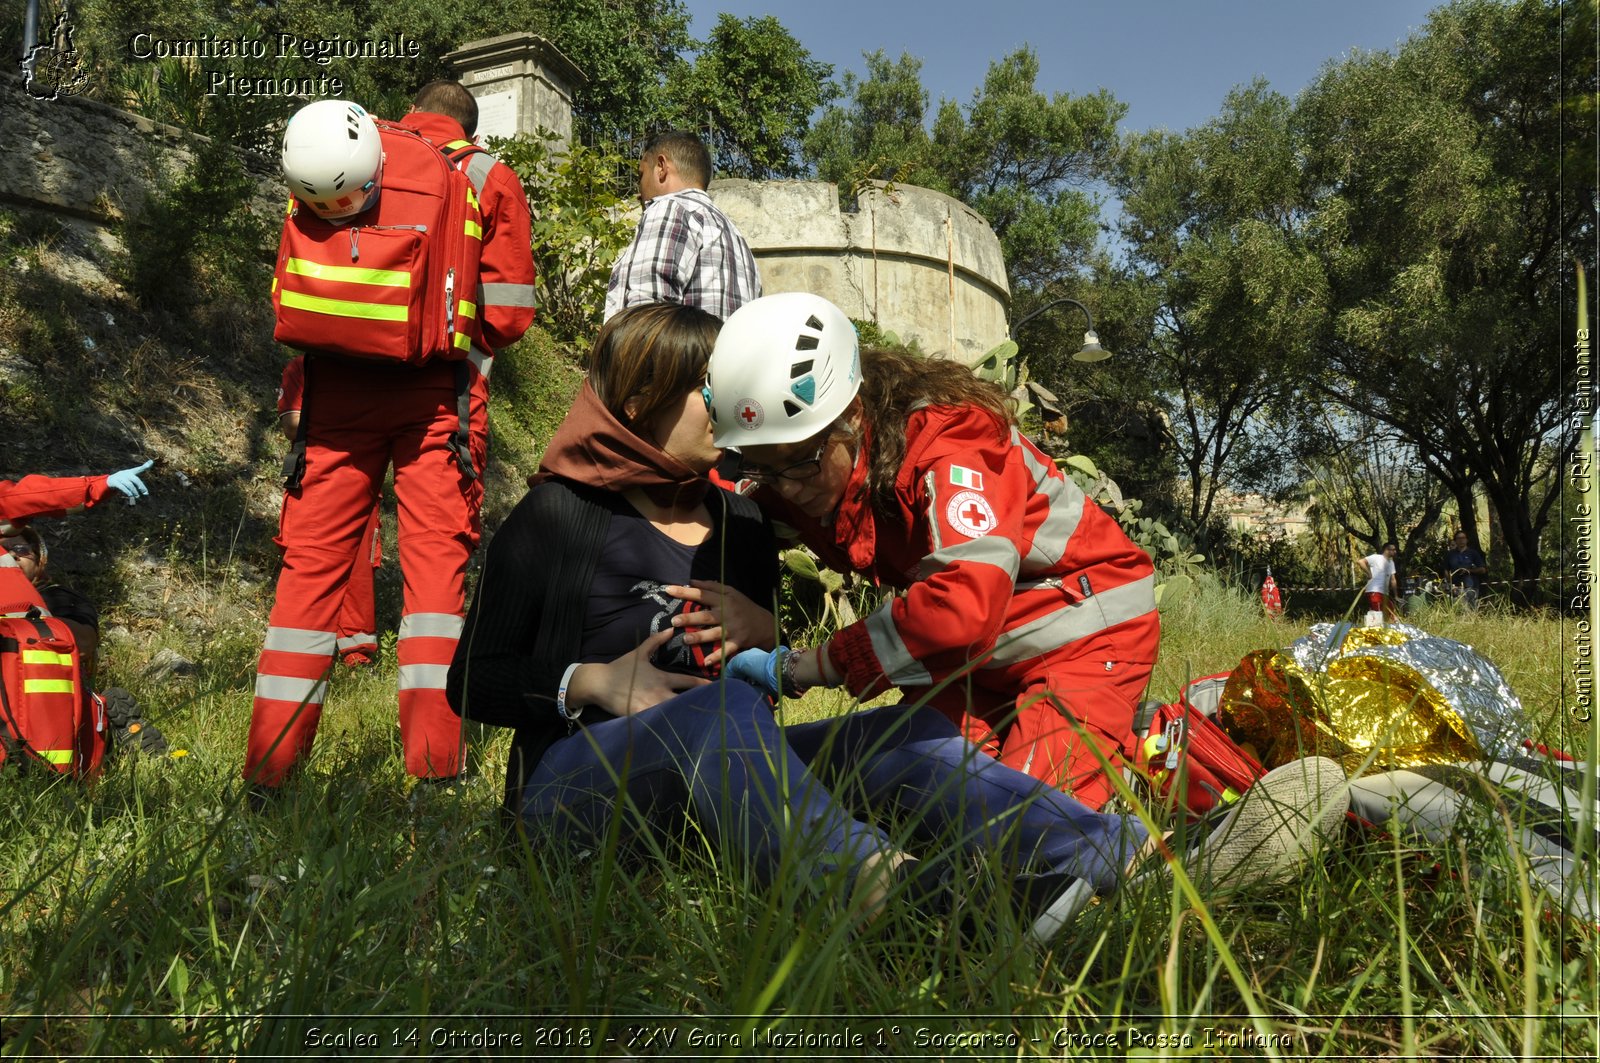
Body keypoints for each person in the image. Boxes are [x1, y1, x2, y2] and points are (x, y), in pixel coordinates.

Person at [446, 302, 1348, 939]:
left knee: (901, 740)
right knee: (714, 717)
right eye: (704, 394)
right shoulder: (557, 515)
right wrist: (593, 683)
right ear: (636, 402)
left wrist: (771, 636)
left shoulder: (741, 523)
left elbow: (792, 670)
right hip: (577, 791)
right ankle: (880, 897)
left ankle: (1149, 867)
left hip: (709, 801)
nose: (727, 422)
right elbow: (469, 679)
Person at [703, 293, 1161, 811]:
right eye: (762, 467)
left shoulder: (950, 440)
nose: (786, 489)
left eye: (801, 463)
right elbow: (712, 497)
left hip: (1084, 633)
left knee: (1025, 832)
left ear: (851, 414)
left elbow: (962, 603)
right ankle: (1107, 736)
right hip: (977, 661)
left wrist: (803, 667)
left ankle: (1152, 744)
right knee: (895, 789)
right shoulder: (806, 463)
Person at [245, 86, 536, 791]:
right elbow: (510, 312)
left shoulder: (329, 145)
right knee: (435, 585)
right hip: (437, 399)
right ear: (468, 123)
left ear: (407, 113)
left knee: (308, 582)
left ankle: (268, 774)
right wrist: (440, 338)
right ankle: (435, 773)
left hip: (333, 396)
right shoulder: (485, 175)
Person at [277, 355, 381, 668]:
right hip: (313, 480)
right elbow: (291, 425)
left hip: (362, 481)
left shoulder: (372, 371)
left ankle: (356, 655)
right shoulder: (302, 368)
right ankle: (302, 657)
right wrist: (353, 423)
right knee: (308, 567)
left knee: (359, 573)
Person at [604, 130, 761, 323]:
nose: (639, 191)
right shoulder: (738, 241)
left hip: (670, 354)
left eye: (641, 175)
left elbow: (647, 319)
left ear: (661, 167)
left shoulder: (669, 208)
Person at [1356, 541, 1399, 627]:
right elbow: (1361, 562)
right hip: (1374, 591)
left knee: (1392, 615)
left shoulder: (1391, 563)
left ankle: (1390, 634)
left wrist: (1396, 595)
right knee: (1377, 614)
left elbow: (1393, 580)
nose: (1395, 552)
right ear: (1387, 550)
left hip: (1384, 593)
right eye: (1393, 550)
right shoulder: (1376, 557)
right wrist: (1369, 574)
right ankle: (1374, 634)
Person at [1444, 531, 1487, 608]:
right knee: (1457, 610)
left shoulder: (1473, 553)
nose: (1461, 540)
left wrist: (1469, 570)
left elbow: (1483, 569)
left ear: (1466, 540)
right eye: (1459, 538)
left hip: (1471, 587)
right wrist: (1450, 584)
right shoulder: (1450, 554)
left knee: (1470, 611)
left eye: (1463, 538)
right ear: (1455, 540)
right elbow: (1446, 570)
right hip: (1455, 588)